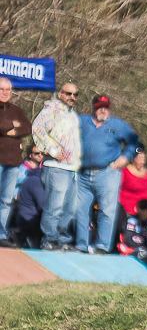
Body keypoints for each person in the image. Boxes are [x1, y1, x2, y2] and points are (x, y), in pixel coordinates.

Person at [74, 94, 140, 254]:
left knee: (107, 210)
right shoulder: (82, 121)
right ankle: (81, 245)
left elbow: (134, 142)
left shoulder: (118, 125)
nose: (102, 110)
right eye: (99, 106)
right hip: (83, 172)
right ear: (93, 107)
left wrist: (126, 157)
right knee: (80, 209)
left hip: (107, 172)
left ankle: (102, 246)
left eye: (105, 107)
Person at [32, 81, 82, 250]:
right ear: (60, 93)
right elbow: (37, 128)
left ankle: (62, 239)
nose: (72, 97)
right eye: (68, 93)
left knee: (70, 208)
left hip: (72, 168)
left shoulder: (73, 115)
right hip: (55, 167)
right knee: (55, 206)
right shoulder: (51, 109)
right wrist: (52, 150)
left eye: (75, 95)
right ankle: (49, 239)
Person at [0, 77, 32, 246]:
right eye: (1, 89)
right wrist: (12, 126)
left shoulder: (17, 110)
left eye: (8, 89)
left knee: (6, 200)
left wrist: (12, 127)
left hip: (13, 163)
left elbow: (27, 127)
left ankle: (1, 234)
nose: (5, 92)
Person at [10, 145, 46, 248]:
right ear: (30, 155)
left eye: (42, 153)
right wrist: (16, 195)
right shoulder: (21, 170)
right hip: (22, 202)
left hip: (37, 200)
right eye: (37, 153)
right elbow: (12, 186)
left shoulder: (42, 170)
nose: (40, 155)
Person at [118, 147, 147, 223]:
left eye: (144, 158)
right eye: (139, 158)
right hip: (127, 213)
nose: (142, 161)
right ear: (133, 158)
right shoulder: (125, 171)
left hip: (144, 214)